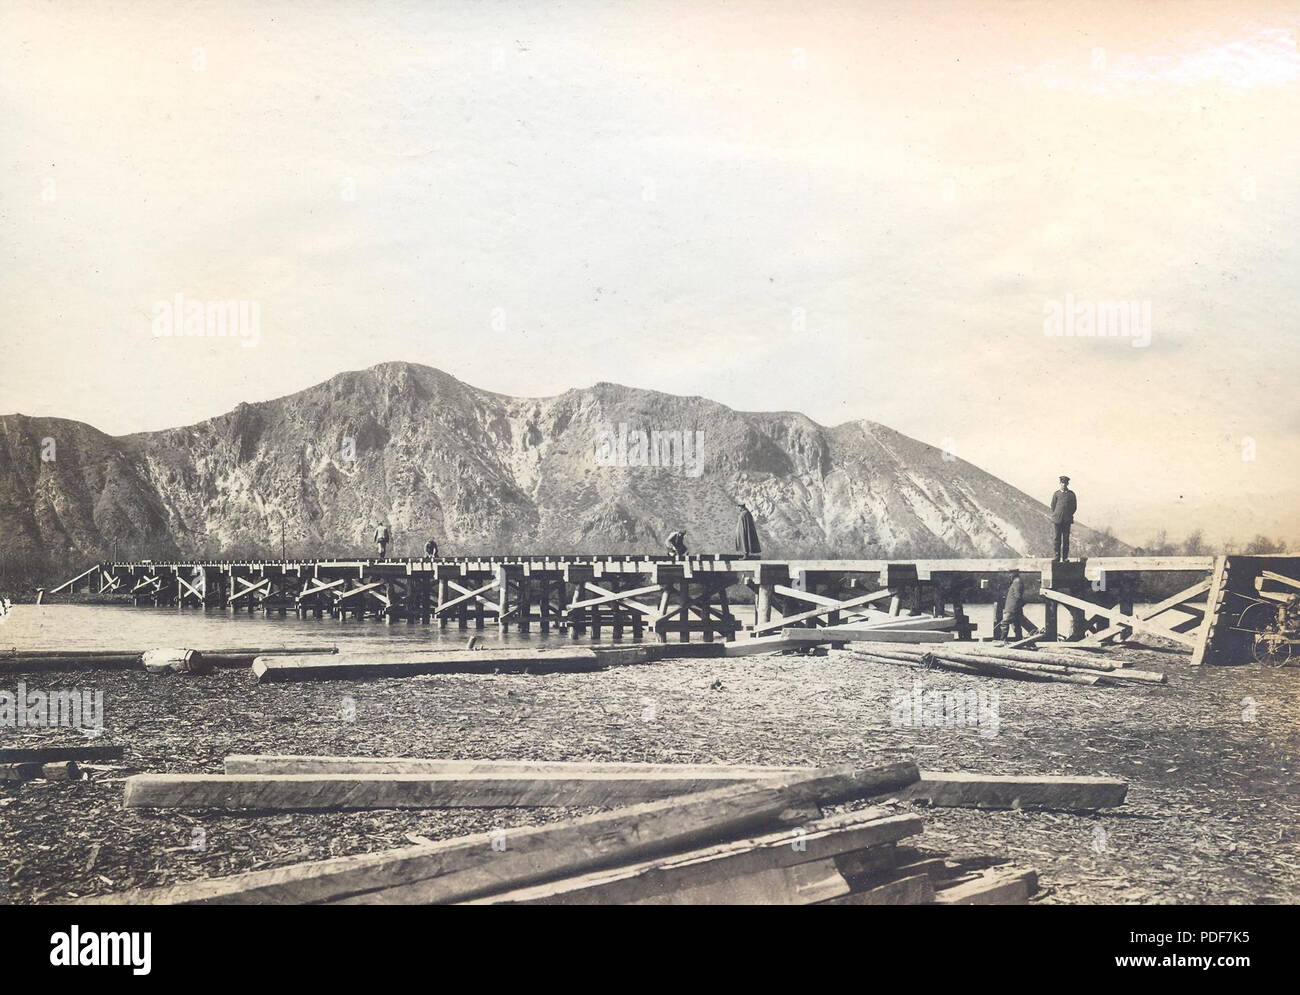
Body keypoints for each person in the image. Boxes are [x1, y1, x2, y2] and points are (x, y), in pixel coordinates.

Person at [998, 569, 1038, 641]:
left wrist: (1016, 607)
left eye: (1011, 573)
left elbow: (1018, 596)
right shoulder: (1015, 581)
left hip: (1012, 608)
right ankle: (1019, 639)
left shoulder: (1017, 582)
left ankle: (1002, 640)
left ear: (1015, 573)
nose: (1009, 575)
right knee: (1016, 624)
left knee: (1005, 623)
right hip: (1014, 607)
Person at [1049, 475, 1077, 562]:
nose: (1063, 485)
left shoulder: (1071, 494)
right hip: (1057, 520)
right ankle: (1057, 556)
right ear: (1060, 483)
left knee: (1066, 539)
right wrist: (1057, 514)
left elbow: (1074, 507)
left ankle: (1065, 557)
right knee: (1057, 538)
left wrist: (1068, 514)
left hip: (1067, 520)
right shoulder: (1056, 494)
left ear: (1067, 484)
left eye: (1065, 483)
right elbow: (1053, 506)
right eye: (1062, 483)